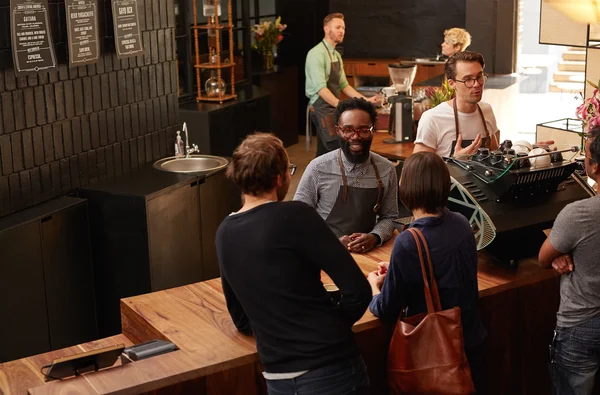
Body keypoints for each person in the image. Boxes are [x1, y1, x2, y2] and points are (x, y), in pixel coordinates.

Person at [216, 133, 372, 395]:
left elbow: (241, 319)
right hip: (332, 372)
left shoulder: (224, 233)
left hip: (278, 380)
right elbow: (358, 290)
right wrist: (329, 331)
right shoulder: (296, 215)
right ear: (279, 178)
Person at [367, 151, 487, 391]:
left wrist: (374, 286)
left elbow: (386, 310)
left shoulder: (408, 241)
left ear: (407, 188)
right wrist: (399, 268)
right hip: (471, 339)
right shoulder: (461, 223)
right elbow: (446, 268)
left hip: (436, 357)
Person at [539, 126, 600, 395]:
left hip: (581, 324)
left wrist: (562, 246)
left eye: (585, 157)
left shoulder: (577, 214)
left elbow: (543, 258)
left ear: (595, 167)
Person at [294, 98, 399, 253]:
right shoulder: (317, 168)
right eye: (348, 130)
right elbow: (297, 219)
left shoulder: (387, 170)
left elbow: (390, 217)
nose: (355, 137)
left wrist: (375, 236)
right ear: (338, 130)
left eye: (363, 130)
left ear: (372, 130)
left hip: (368, 254)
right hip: (324, 252)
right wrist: (330, 242)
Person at [305, 12, 379, 157]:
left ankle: (320, 177)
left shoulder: (336, 55)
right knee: (336, 146)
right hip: (321, 107)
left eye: (343, 28)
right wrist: (341, 105)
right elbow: (321, 89)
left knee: (323, 153)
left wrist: (365, 100)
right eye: (338, 27)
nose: (342, 31)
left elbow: (344, 85)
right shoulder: (316, 54)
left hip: (332, 106)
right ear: (326, 29)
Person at [414, 51, 500, 158]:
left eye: (479, 76)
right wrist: (456, 160)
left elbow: (496, 156)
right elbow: (418, 170)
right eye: (468, 79)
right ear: (452, 84)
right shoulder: (432, 119)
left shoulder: (486, 110)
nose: (477, 84)